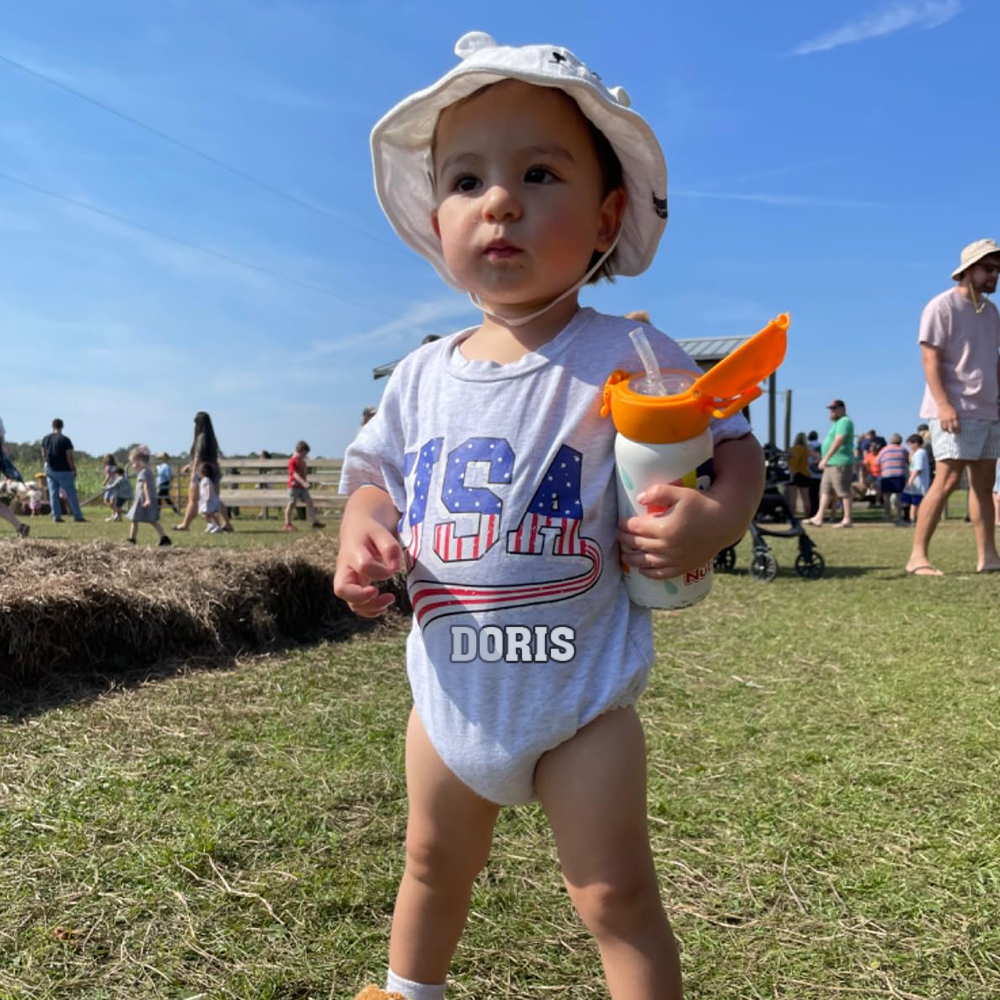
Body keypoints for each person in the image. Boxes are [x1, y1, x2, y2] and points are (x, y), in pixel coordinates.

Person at [334, 32, 763, 1000]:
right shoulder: (419, 374)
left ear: (607, 216)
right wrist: (362, 528)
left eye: (537, 172)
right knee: (431, 867)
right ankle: (408, 993)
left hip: (580, 701)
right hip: (449, 692)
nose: (500, 201)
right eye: (465, 179)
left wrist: (716, 519)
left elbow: (733, 448)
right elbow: (374, 479)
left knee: (612, 891)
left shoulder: (629, 348)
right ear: (433, 217)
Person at [906, 239, 1000, 576]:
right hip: (953, 410)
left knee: (984, 486)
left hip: (988, 409)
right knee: (946, 481)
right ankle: (917, 557)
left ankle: (988, 557)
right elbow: (930, 358)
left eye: (997, 270)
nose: (994, 276)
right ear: (968, 270)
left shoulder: (991, 313)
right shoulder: (941, 307)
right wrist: (944, 405)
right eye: (988, 269)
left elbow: (994, 359)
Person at [174, 412, 233, 532]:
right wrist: (189, 465)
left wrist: (193, 472)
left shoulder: (200, 437)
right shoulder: (212, 439)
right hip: (214, 470)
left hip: (202, 471)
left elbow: (198, 456)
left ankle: (185, 525)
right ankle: (226, 524)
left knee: (193, 500)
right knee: (215, 499)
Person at [806, 400, 855, 528]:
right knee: (825, 490)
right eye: (831, 409)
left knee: (842, 490)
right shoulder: (837, 423)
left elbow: (839, 440)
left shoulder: (845, 421)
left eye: (834, 408)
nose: (832, 411)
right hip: (831, 463)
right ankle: (819, 517)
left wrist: (826, 458)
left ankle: (847, 519)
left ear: (842, 408)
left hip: (839, 462)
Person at [40, 418, 86, 523]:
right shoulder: (65, 440)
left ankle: (56, 516)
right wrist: (73, 468)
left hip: (50, 469)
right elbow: (69, 456)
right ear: (62, 427)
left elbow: (43, 454)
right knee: (71, 493)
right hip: (64, 470)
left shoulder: (45, 439)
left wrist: (46, 465)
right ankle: (77, 515)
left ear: (52, 426)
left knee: (53, 493)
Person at [125, 446, 171, 546]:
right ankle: (164, 537)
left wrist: (147, 499)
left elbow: (145, 486)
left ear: (140, 461)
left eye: (133, 462)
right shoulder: (148, 471)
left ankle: (132, 540)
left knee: (134, 519)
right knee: (152, 520)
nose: (132, 465)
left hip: (142, 500)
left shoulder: (143, 473)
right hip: (148, 499)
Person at [284, 440, 325, 531]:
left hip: (302, 488)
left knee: (309, 502)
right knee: (291, 504)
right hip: (294, 487)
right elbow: (294, 474)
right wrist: (303, 482)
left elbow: (303, 473)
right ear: (299, 451)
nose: (305, 456)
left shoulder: (302, 462)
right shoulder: (292, 461)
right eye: (304, 454)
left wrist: (304, 483)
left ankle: (314, 522)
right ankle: (287, 524)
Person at [875, 433, 908, 521]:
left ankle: (887, 515)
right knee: (899, 497)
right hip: (900, 475)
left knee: (886, 497)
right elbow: (907, 461)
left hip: (887, 475)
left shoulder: (884, 450)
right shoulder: (903, 450)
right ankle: (899, 516)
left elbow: (877, 462)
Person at [900, 433, 931, 525]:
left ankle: (912, 520)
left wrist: (910, 480)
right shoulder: (916, 454)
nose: (909, 447)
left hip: (918, 483)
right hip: (914, 483)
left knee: (915, 503)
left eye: (910, 444)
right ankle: (906, 519)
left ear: (916, 443)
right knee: (905, 500)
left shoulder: (920, 453)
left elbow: (918, 469)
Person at [784, 431, 811, 516]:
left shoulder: (791, 450)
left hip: (793, 473)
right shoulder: (807, 450)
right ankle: (807, 515)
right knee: (806, 498)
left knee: (792, 498)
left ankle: (792, 516)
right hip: (804, 473)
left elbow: (787, 461)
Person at [198, 462, 224, 533]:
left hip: (209, 500)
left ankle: (218, 526)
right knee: (204, 514)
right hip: (205, 501)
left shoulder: (207, 480)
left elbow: (208, 488)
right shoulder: (203, 480)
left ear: (203, 472)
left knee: (211, 514)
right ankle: (210, 524)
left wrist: (208, 497)